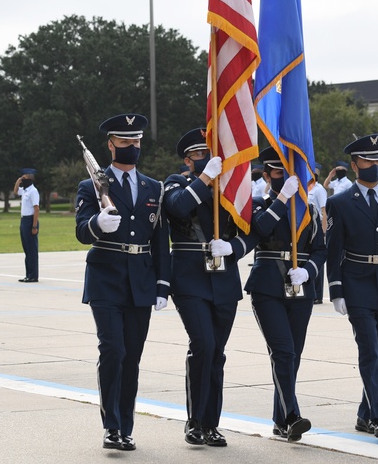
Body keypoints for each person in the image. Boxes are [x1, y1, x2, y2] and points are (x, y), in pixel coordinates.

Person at [74, 114, 170, 451]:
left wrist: (162, 285)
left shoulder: (153, 188)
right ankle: (111, 426)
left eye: (137, 141)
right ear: (111, 144)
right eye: (126, 142)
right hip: (105, 278)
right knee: (113, 350)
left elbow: (161, 241)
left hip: (141, 281)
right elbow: (81, 231)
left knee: (132, 357)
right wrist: (98, 223)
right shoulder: (92, 186)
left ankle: (125, 427)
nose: (133, 147)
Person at [162, 127, 256, 447]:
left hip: (224, 278)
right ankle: (194, 421)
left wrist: (234, 249)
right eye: (202, 154)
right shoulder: (178, 182)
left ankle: (211, 424)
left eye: (212, 152)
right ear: (189, 160)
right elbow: (176, 208)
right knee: (202, 344)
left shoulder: (230, 189)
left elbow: (251, 229)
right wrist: (204, 179)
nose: (210, 158)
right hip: (190, 277)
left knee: (217, 352)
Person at [326, 133, 378, 438]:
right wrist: (336, 289)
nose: (376, 165)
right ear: (355, 164)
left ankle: (364, 413)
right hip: (357, 282)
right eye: (369, 160)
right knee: (370, 351)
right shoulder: (340, 202)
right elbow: (333, 248)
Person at [247, 146, 326, 441]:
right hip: (267, 286)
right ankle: (292, 414)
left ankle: (280, 420)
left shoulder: (309, 210)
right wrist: (281, 199)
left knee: (294, 355)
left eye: (288, 171)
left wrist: (309, 270)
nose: (284, 176)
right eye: (277, 172)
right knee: (283, 351)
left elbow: (320, 248)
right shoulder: (257, 203)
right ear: (266, 175)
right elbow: (261, 228)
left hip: (300, 287)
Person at [307, 162, 329, 305]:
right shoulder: (307, 188)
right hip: (309, 227)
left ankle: (318, 295)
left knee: (318, 261)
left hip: (318, 227)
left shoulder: (319, 189)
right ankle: (312, 291)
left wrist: (324, 231)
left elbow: (324, 211)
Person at [14, 168, 40, 283]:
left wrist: (34, 226)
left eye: (24, 178)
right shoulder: (25, 190)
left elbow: (36, 208)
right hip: (24, 220)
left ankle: (33, 275)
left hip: (30, 221)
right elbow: (15, 192)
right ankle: (28, 274)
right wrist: (18, 181)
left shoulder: (33, 191)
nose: (22, 180)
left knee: (32, 250)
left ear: (30, 178)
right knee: (26, 249)